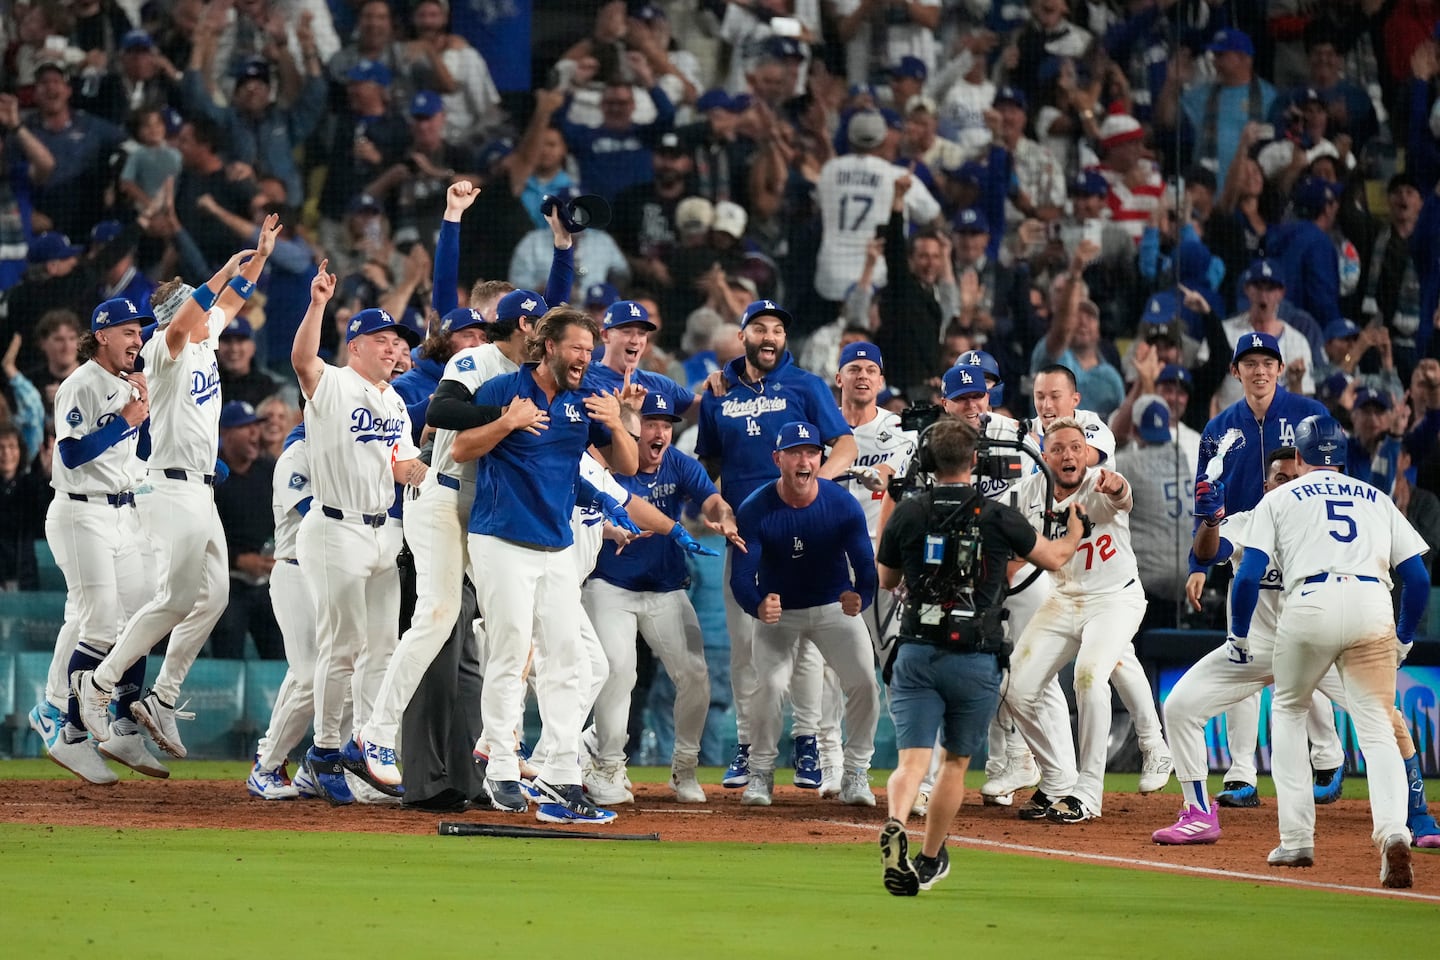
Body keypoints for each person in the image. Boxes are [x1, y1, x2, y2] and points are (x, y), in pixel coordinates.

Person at [74, 223, 280, 759]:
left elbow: (234, 295)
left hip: (200, 490)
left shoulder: (206, 335)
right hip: (167, 489)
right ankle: (99, 683)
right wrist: (223, 272)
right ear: (173, 316)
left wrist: (257, 258)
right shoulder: (164, 351)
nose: (206, 312)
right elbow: (199, 307)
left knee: (214, 596)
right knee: (176, 599)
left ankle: (162, 698)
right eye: (193, 306)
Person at [876, 417, 1087, 896]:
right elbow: (1053, 559)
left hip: (915, 653)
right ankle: (929, 858)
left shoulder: (909, 513)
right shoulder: (996, 515)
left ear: (929, 463)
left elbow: (886, 581)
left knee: (912, 765)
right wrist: (1074, 530)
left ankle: (895, 822)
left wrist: (892, 501)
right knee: (953, 764)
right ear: (975, 461)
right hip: (974, 656)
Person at [1228, 415, 1430, 888]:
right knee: (1378, 729)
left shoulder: (1279, 497)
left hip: (1308, 605)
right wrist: (1403, 636)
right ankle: (1395, 833)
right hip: (1371, 605)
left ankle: (1297, 839)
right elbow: (1417, 578)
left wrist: (1239, 634)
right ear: (1341, 457)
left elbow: (1247, 574)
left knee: (1290, 711)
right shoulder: (1378, 498)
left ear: (1297, 458)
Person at [457, 306, 637, 823]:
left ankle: (560, 776)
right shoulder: (502, 390)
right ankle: (501, 770)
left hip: (556, 545)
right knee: (510, 651)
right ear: (549, 347)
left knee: (569, 661)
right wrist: (507, 422)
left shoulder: (587, 401)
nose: (585, 357)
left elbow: (626, 467)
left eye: (589, 349)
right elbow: (460, 450)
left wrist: (618, 425)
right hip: (501, 539)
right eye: (577, 347)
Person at [695, 299, 857, 790]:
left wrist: (817, 487)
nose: (770, 337)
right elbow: (709, 466)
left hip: (804, 534)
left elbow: (845, 444)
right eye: (760, 328)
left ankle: (806, 744)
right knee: (745, 645)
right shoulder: (718, 393)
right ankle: (748, 746)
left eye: (778, 331)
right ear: (742, 336)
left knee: (804, 645)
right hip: (747, 537)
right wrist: (715, 507)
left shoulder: (805, 385)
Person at [289, 264, 425, 806]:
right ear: (357, 345)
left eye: (398, 343)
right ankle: (322, 754)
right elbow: (302, 360)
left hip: (380, 532)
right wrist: (319, 302)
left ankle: (367, 747)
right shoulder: (334, 383)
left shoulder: (393, 402)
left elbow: (404, 467)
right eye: (385, 341)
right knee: (341, 647)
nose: (395, 350)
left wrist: (439, 475)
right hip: (335, 527)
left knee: (384, 649)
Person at [582, 392, 741, 804]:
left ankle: (684, 768)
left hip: (665, 588)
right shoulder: (605, 463)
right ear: (633, 429)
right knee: (619, 672)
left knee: (695, 675)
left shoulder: (678, 463)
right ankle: (609, 765)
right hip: (608, 584)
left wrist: (721, 515)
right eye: (652, 424)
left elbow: (710, 498)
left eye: (667, 425)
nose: (660, 433)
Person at [1005, 418, 1156, 825]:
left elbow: (1123, 497)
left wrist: (1117, 488)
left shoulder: (1102, 482)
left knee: (1089, 676)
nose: (1069, 455)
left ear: (1086, 452)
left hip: (1114, 599)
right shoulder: (1025, 494)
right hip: (1064, 599)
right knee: (1014, 688)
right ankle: (1057, 778)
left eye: (1076, 447)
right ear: (1043, 453)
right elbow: (1008, 547)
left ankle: (1088, 792)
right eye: (1058, 448)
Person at [32, 297, 157, 784]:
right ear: (102, 334)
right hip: (81, 513)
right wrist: (125, 419)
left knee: (141, 613)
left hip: (124, 511)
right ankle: (71, 729)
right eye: (128, 331)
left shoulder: (127, 385)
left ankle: (122, 719)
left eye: (140, 332)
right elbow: (70, 455)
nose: (138, 339)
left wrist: (141, 413)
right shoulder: (79, 385)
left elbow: (139, 451)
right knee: (99, 620)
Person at [729, 421, 880, 808]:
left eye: (811, 452)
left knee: (865, 681)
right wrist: (757, 604)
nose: (804, 460)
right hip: (780, 613)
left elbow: (865, 566)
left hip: (832, 606)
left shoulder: (841, 504)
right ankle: (761, 773)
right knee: (770, 686)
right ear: (777, 459)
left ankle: (855, 772)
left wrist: (860, 596)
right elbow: (742, 577)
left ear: (820, 459)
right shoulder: (757, 508)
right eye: (794, 452)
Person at [245, 422, 317, 800]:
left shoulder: (339, 452)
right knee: (310, 678)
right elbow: (314, 515)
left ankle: (311, 766)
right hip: (294, 571)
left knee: (318, 673)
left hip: (327, 576)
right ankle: (267, 766)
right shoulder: (296, 454)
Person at [814, 110, 941, 305]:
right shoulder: (897, 176)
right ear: (883, 140)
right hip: (876, 279)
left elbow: (819, 209)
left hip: (829, 277)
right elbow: (934, 217)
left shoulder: (830, 169)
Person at [1114, 396, 1193, 629]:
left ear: (1135, 429)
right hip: (1190, 576)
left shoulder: (1127, 464)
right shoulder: (1182, 457)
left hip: (1148, 583)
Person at [211, 400, 281, 659]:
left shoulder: (269, 471)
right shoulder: (212, 477)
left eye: (256, 427)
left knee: (282, 650)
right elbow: (198, 536)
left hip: (266, 580)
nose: (254, 433)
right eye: (245, 427)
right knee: (227, 646)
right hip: (225, 581)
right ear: (226, 434)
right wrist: (238, 560)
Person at [217, 317, 281, 407]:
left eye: (240, 340)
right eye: (227, 341)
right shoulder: (208, 384)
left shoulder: (266, 385)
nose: (234, 348)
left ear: (252, 346)